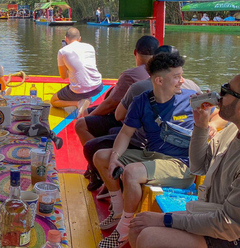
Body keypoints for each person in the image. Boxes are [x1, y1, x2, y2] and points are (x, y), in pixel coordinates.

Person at [94, 52, 196, 248]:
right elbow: (124, 134)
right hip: (152, 156)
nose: (182, 81)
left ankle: (124, 229)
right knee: (102, 157)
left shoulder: (192, 100)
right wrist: (115, 157)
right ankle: (118, 210)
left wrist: (208, 126)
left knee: (131, 173)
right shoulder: (141, 101)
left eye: (181, 75)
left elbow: (218, 114)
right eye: (177, 76)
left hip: (180, 165)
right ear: (159, 80)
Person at [129, 75, 240, 248]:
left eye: (226, 90)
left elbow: (229, 225)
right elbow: (198, 166)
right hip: (213, 214)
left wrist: (166, 219)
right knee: (138, 227)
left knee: (149, 237)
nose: (219, 94)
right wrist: (201, 126)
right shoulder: (231, 130)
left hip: (231, 235)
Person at [76, 35, 159, 190]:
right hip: (142, 128)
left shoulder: (132, 76)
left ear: (135, 52)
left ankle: (96, 171)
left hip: (129, 125)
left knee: (82, 123)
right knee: (89, 112)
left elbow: (111, 106)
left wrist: (90, 115)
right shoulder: (170, 81)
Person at [51, 27, 103, 108]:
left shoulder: (62, 51)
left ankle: (78, 103)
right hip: (98, 86)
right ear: (79, 39)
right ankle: (86, 98)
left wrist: (69, 67)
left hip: (79, 91)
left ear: (66, 39)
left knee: (54, 101)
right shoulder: (90, 47)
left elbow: (63, 76)